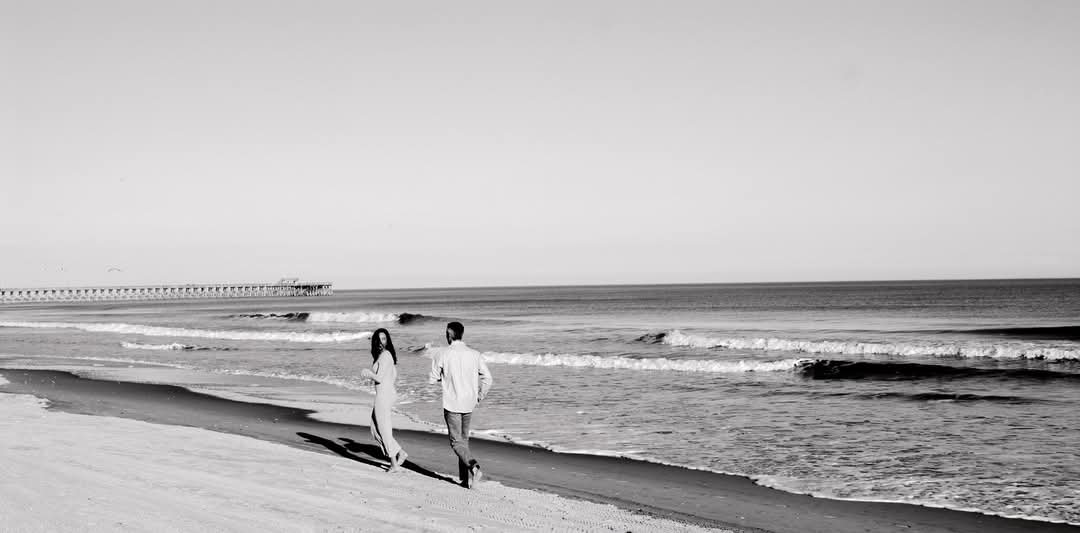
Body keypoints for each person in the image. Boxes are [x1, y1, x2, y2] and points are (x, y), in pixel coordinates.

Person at [428, 321, 493, 488]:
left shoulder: (442, 354)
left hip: (452, 403)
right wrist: (479, 396)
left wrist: (444, 376)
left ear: (449, 334)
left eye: (446, 333)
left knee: (456, 443)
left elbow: (432, 378)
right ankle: (465, 479)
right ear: (461, 334)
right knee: (463, 441)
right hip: (469, 402)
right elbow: (488, 379)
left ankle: (474, 467)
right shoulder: (474, 354)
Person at [361, 328, 407, 472]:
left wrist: (368, 373)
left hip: (384, 396)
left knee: (384, 429)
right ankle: (400, 452)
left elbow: (379, 378)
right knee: (375, 428)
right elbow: (388, 376)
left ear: (388, 340)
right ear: (375, 341)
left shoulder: (386, 355)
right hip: (385, 394)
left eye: (384, 338)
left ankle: (393, 463)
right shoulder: (383, 356)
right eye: (379, 339)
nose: (382, 342)